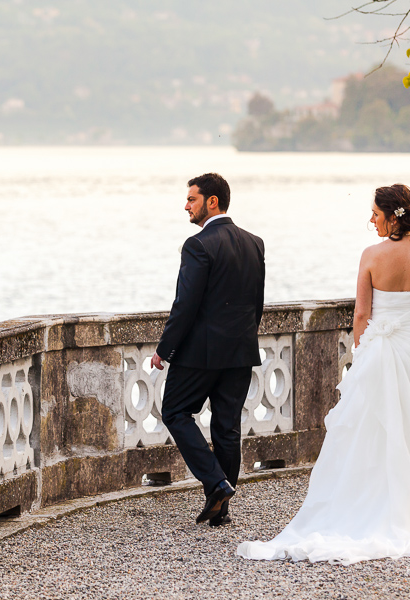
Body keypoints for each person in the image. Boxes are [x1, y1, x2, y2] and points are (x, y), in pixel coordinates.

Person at [238, 183, 410, 564]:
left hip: (380, 351)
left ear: (393, 216)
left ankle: (369, 505)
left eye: (375, 214)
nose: (371, 220)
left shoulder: (372, 256)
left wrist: (362, 354)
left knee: (371, 431)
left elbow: (361, 315)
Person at [151, 172, 265, 527]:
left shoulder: (198, 245)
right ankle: (221, 507)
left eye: (192, 199)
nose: (186, 205)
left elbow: (185, 304)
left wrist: (164, 350)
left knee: (174, 411)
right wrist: (245, 337)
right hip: (241, 351)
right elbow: (256, 303)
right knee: (227, 428)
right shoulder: (255, 243)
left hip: (200, 353)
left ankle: (216, 484)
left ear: (211, 201)